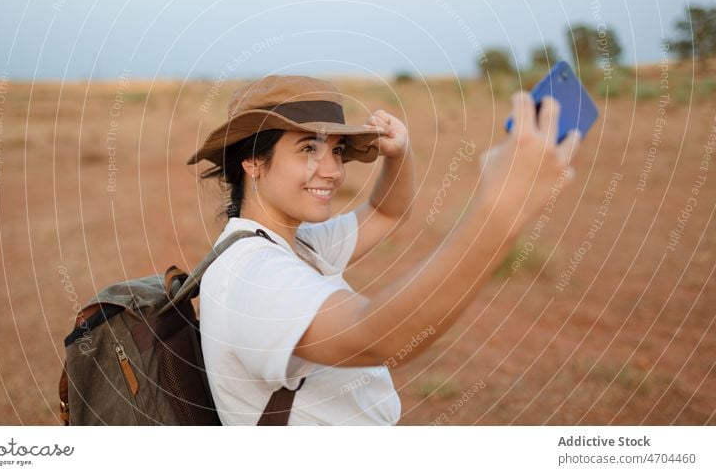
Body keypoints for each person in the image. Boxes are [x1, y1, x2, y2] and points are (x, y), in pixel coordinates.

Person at [186, 74, 582, 425]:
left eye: (337, 150)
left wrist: (399, 153)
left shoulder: (293, 243)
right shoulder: (254, 275)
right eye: (309, 149)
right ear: (253, 162)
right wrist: (500, 212)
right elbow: (374, 336)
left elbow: (386, 211)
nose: (333, 171)